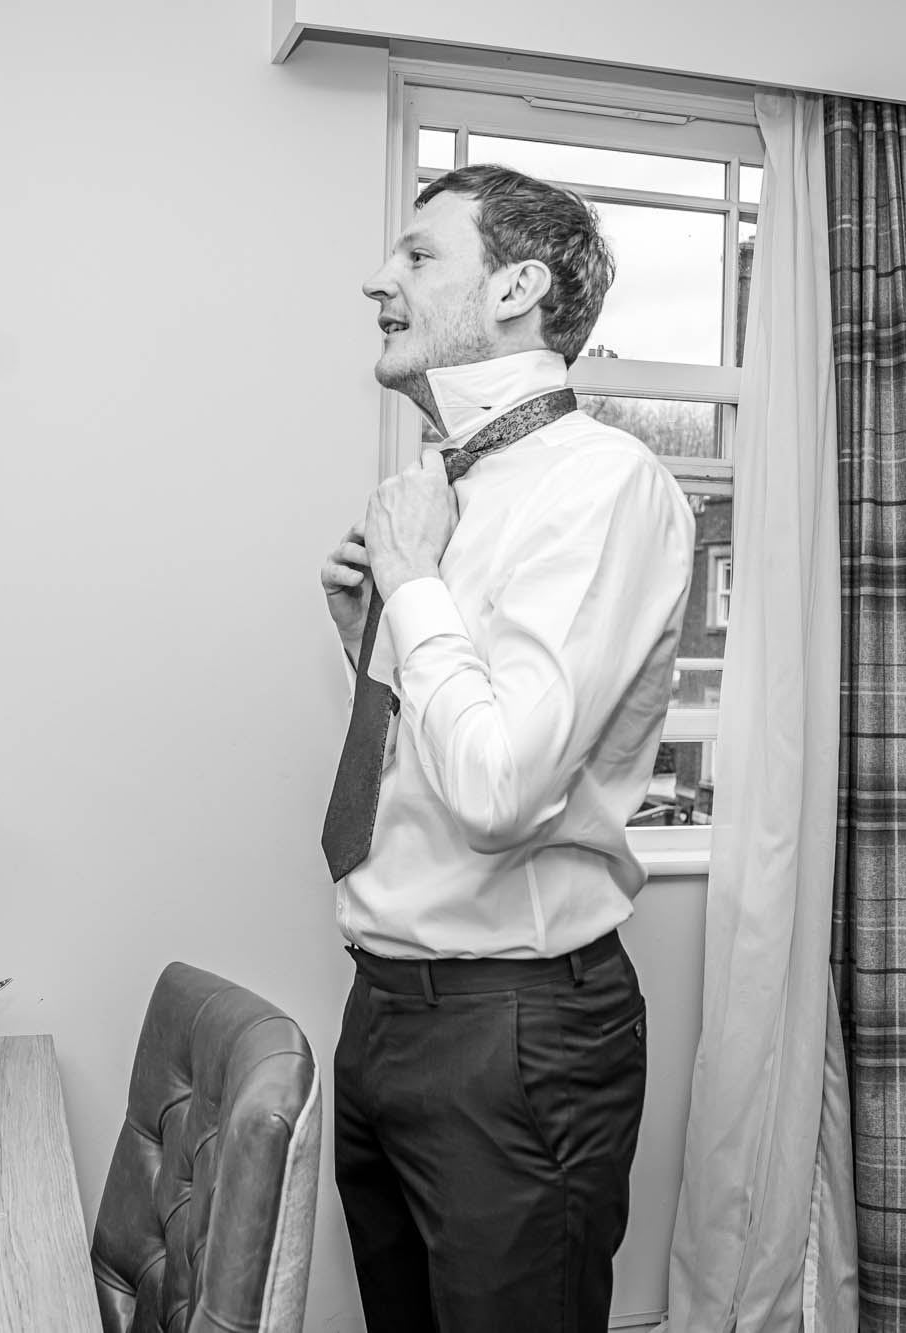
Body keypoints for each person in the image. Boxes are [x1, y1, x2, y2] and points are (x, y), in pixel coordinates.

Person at [318, 163, 697, 1332]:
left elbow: (499, 792)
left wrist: (412, 583)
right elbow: (449, 750)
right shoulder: (442, 486)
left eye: (417, 255)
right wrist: (370, 632)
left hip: (513, 1037)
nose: (376, 281)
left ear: (516, 288)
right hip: (381, 1008)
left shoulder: (601, 483)